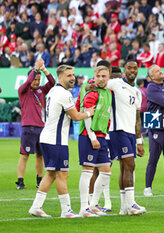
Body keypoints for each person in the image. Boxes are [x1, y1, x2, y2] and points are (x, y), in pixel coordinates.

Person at [29, 65, 95, 218]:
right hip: (56, 140)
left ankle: (36, 206)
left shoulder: (53, 91)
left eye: (73, 75)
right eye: (69, 75)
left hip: (48, 137)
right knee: (62, 174)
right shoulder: (64, 94)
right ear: (60, 77)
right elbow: (76, 117)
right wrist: (88, 112)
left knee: (51, 174)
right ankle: (66, 210)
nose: (72, 78)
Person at [107, 60, 146, 215]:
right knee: (130, 165)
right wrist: (90, 84)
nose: (132, 70)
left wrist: (139, 141)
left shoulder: (137, 92)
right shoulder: (116, 83)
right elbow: (99, 82)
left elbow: (137, 118)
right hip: (118, 130)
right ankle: (131, 204)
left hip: (130, 133)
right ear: (124, 70)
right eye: (129, 68)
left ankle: (124, 207)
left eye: (135, 68)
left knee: (125, 167)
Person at [77, 66, 112, 217]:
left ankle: (93, 204)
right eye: (98, 76)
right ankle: (84, 208)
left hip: (102, 136)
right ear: (94, 76)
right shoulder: (92, 92)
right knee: (87, 173)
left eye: (104, 76)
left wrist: (104, 133)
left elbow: (107, 113)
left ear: (108, 76)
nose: (101, 79)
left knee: (106, 172)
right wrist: (92, 137)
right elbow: (86, 115)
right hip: (89, 136)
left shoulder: (109, 93)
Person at [17, 58, 55, 190]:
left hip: (42, 128)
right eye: (35, 79)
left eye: (39, 80)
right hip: (28, 128)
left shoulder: (42, 91)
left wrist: (43, 69)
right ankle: (20, 181)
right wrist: (35, 67)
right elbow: (28, 81)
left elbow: (52, 82)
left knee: (40, 156)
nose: (37, 82)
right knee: (24, 155)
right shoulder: (23, 90)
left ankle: (39, 180)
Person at [144, 65, 164, 196]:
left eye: (160, 69)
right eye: (156, 71)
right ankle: (148, 188)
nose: (160, 71)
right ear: (151, 77)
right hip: (156, 124)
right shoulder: (151, 87)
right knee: (154, 158)